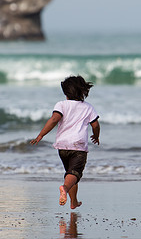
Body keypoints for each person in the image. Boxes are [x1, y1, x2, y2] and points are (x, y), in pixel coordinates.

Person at [30, 75, 100, 209]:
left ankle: (73, 202)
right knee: (74, 174)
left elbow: (54, 119)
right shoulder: (88, 107)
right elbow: (95, 125)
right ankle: (65, 188)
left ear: (66, 92)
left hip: (62, 146)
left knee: (70, 173)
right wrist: (96, 136)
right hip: (78, 147)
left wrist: (41, 135)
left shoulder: (60, 104)